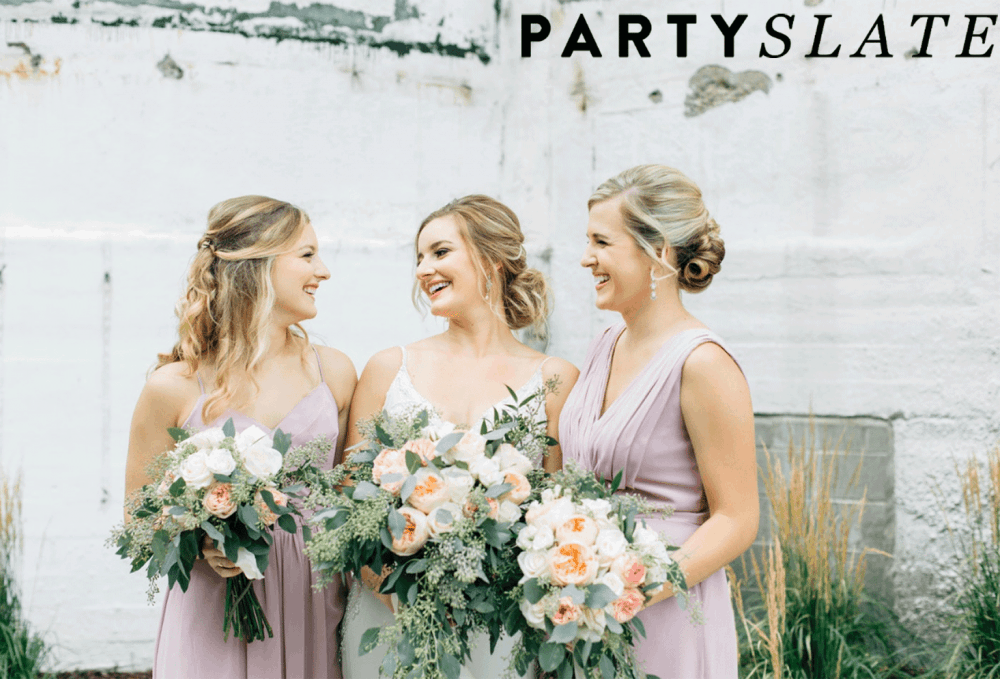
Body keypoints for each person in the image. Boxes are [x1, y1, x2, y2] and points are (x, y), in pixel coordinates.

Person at [340, 195, 579, 679]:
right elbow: (348, 499)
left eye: (440, 252)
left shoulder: (556, 378)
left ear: (492, 258)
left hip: (501, 628)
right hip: (388, 615)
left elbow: (558, 516)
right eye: (419, 258)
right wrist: (397, 596)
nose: (424, 269)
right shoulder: (389, 368)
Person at [124, 195, 356, 679]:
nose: (325, 271)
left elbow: (351, 496)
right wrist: (201, 541)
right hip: (214, 607)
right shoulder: (173, 387)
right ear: (259, 264)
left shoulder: (334, 371)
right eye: (308, 255)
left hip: (311, 599)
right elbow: (137, 521)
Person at [558, 165, 758, 679]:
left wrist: (633, 589)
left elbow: (736, 519)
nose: (586, 259)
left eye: (602, 242)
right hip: (582, 609)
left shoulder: (703, 363)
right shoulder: (604, 345)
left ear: (659, 252)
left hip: (666, 616)